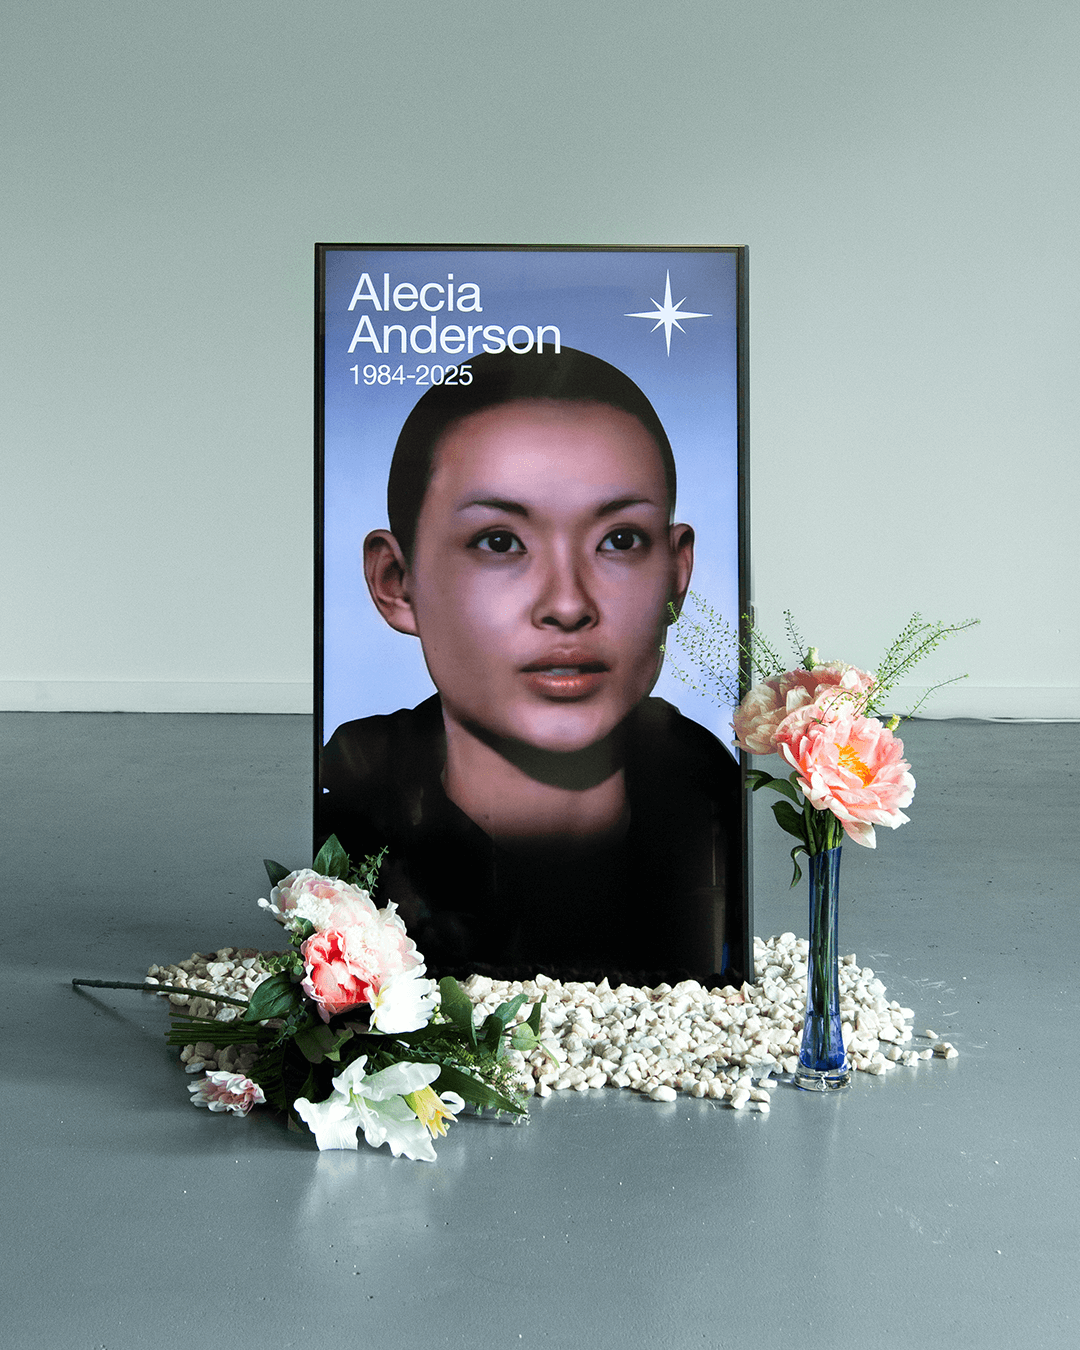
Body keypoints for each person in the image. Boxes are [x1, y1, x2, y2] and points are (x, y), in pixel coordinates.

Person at [319, 348, 743, 983]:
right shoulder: (352, 813)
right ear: (396, 581)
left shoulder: (709, 803)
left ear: (676, 575)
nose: (568, 605)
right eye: (499, 542)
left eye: (620, 541)